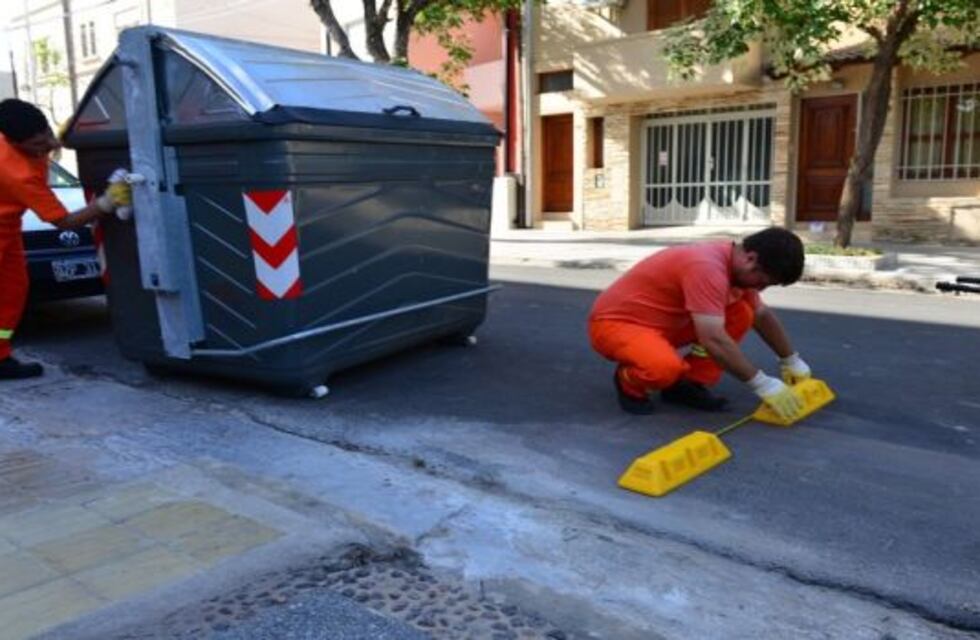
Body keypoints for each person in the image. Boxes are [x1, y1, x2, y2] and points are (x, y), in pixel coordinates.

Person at [588, 228, 812, 421]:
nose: (761, 290)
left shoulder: (736, 265)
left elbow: (761, 315)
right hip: (616, 324)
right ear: (751, 259)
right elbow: (712, 338)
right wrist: (762, 384)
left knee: (742, 313)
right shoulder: (706, 267)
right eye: (762, 282)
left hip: (666, 324)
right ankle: (628, 382)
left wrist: (790, 359)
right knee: (663, 368)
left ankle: (686, 385)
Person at [0, 98, 131, 379]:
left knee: (13, 290)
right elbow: (64, 222)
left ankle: (0, 354)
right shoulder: (17, 173)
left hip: (8, 229)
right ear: (14, 143)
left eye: (46, 133)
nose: (47, 144)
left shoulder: (17, 135)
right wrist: (106, 203)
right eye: (37, 145)